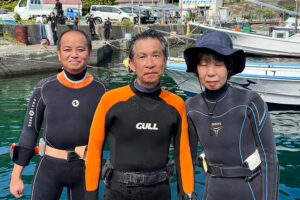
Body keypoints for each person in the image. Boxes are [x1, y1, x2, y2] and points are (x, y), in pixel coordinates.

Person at [85, 29, 196, 200]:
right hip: (118, 192)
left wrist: (188, 194)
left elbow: (184, 156)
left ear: (165, 61)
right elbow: (94, 151)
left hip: (159, 192)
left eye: (156, 56)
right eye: (142, 57)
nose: (150, 63)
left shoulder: (176, 104)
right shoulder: (111, 100)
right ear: (132, 64)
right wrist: (90, 196)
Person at [9, 30, 109, 200]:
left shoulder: (103, 90)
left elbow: (117, 134)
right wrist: (16, 176)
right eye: (68, 49)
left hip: (86, 170)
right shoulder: (44, 88)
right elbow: (29, 132)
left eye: (81, 49)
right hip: (48, 169)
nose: (74, 55)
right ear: (59, 54)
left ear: (90, 53)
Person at [184, 31, 279, 200]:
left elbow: (269, 158)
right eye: (204, 64)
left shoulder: (250, 101)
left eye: (218, 64)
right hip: (212, 191)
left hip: (249, 190)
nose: (211, 72)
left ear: (229, 68)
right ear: (196, 69)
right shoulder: (191, 107)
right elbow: (188, 159)